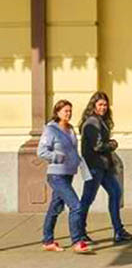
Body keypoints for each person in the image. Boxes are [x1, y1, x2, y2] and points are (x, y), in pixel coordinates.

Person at [79, 92, 132, 245]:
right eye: (100, 105)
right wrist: (112, 144)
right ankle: (79, 233)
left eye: (105, 105)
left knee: (116, 193)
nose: (103, 108)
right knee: (87, 199)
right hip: (95, 167)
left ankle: (118, 231)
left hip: (103, 166)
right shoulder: (92, 122)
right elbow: (97, 146)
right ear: (94, 106)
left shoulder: (100, 121)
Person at [38, 99, 92, 254]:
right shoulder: (50, 130)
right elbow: (41, 152)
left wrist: (78, 162)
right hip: (56, 175)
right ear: (57, 112)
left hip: (68, 173)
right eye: (65, 111)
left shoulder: (70, 129)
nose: (68, 114)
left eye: (70, 111)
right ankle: (77, 241)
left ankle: (47, 241)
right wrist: (57, 157)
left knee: (55, 208)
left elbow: (73, 149)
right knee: (76, 205)